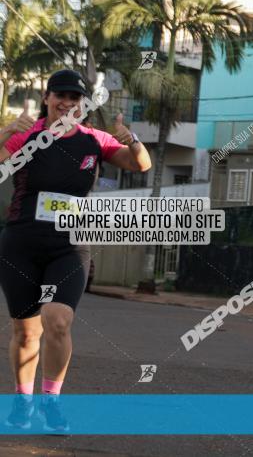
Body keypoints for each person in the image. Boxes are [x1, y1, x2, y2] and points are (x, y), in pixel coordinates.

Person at [0, 69, 151, 432]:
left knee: (58, 320)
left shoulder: (94, 140)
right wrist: (5, 133)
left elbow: (141, 165)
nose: (67, 103)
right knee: (25, 332)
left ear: (83, 104)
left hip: (70, 246)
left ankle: (51, 403)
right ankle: (24, 404)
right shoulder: (26, 136)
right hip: (21, 243)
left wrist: (133, 140)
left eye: (75, 98)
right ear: (47, 99)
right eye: (60, 96)